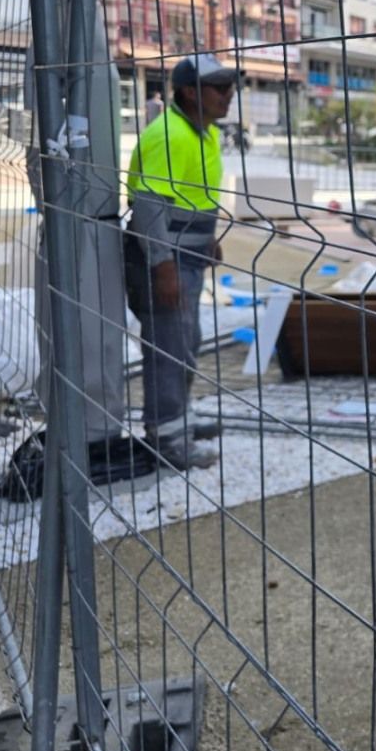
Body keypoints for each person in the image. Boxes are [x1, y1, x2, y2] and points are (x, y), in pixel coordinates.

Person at [124, 54, 238, 471]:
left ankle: (179, 421)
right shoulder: (170, 135)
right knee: (170, 349)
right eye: (220, 87)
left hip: (185, 256)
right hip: (163, 262)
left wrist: (206, 242)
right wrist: (163, 266)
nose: (230, 94)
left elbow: (192, 197)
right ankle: (167, 440)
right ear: (191, 92)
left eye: (230, 86)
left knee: (186, 343)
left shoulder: (201, 132)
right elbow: (150, 206)